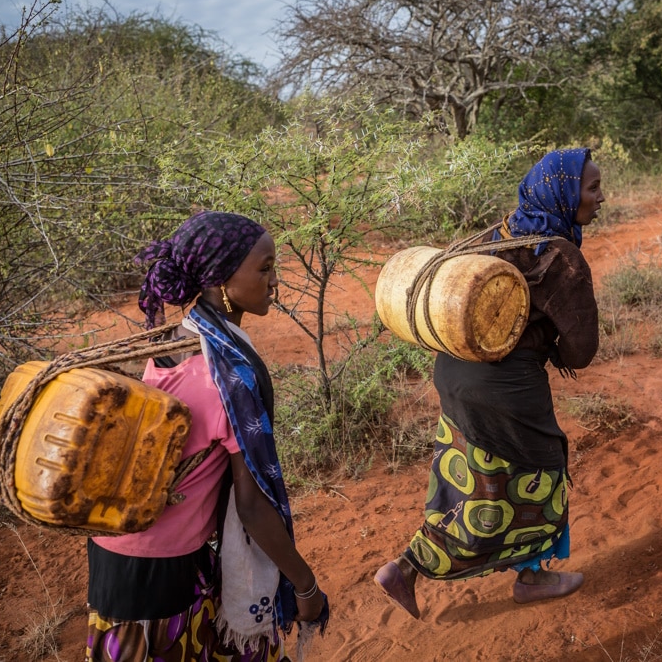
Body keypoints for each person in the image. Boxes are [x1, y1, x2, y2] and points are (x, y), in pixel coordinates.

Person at [86, 211, 328, 662]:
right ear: (220, 281)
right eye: (264, 267)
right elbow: (252, 509)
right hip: (161, 566)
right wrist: (306, 586)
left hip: (113, 552)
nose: (274, 281)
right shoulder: (229, 376)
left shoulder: (170, 342)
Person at [374, 148, 602, 617]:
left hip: (453, 370)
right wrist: (548, 345)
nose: (601, 198)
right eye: (592, 188)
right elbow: (582, 350)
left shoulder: (497, 234)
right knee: (542, 471)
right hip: (507, 387)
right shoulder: (561, 256)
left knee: (472, 480)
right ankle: (533, 578)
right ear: (564, 194)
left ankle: (407, 568)